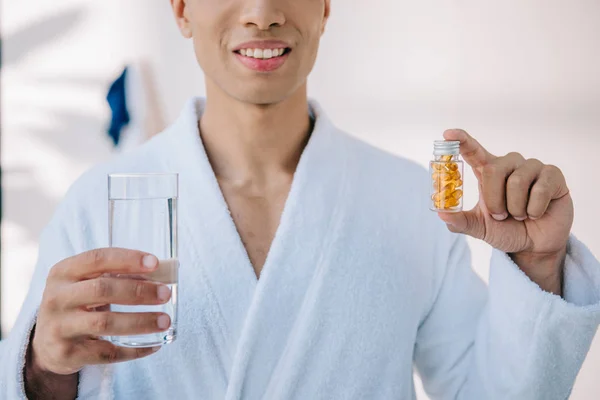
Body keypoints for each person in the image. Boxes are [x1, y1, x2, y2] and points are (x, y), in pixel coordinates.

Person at [2, 1, 600, 399]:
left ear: (324, 7)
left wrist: (539, 266)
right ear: (181, 8)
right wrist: (42, 367)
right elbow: (33, 384)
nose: (263, 13)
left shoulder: (406, 203)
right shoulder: (100, 202)